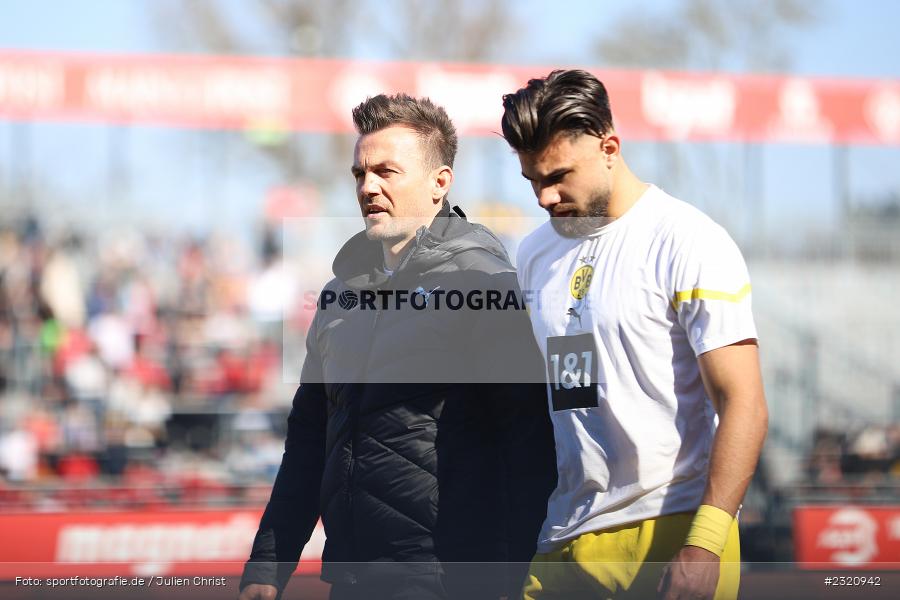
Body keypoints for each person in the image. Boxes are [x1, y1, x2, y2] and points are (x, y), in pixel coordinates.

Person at [238, 93, 556, 600]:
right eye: (360, 173)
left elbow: (527, 443)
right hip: (351, 576)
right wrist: (267, 566)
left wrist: (515, 579)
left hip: (451, 577)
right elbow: (308, 441)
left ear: (440, 184)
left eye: (387, 172)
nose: (368, 187)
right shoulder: (338, 296)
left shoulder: (485, 284)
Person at [500, 70, 768, 600]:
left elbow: (745, 403)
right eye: (532, 179)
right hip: (563, 536)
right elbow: (564, 394)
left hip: (672, 530)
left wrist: (705, 544)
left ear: (609, 147)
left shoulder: (687, 240)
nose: (544, 197)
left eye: (558, 176)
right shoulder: (533, 255)